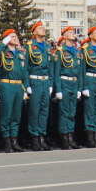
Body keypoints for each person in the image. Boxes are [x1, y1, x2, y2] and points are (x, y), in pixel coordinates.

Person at [0, 29, 27, 153]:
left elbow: (25, 72)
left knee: (16, 115)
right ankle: (7, 142)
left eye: (16, 36)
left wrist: (26, 88)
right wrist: (2, 44)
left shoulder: (21, 53)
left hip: (19, 86)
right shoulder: (2, 52)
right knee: (6, 115)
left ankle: (14, 141)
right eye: (12, 36)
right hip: (7, 85)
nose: (15, 38)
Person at [25, 21, 55, 151]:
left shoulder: (48, 47)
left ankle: (42, 137)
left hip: (45, 81)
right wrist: (27, 85)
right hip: (35, 81)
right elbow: (25, 67)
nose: (43, 30)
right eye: (40, 28)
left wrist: (51, 84)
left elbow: (51, 66)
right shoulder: (29, 46)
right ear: (34, 32)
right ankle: (34, 138)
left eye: (43, 28)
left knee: (44, 111)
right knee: (34, 111)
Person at [54, 26, 82, 150]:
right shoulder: (60, 51)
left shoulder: (77, 52)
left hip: (74, 83)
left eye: (73, 32)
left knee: (72, 112)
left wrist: (80, 88)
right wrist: (58, 89)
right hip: (64, 82)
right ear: (64, 36)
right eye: (70, 32)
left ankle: (70, 136)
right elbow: (57, 72)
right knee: (64, 112)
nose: (72, 33)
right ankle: (64, 138)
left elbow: (79, 72)